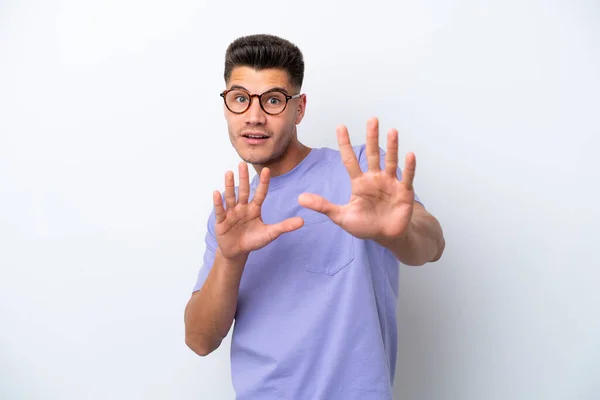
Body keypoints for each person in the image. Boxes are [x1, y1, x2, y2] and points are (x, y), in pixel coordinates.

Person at [184, 33, 445, 400]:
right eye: (240, 99)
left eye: (273, 100)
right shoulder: (231, 218)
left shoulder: (359, 175)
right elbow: (199, 339)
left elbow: (432, 245)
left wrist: (394, 234)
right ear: (227, 106)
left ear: (299, 108)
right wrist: (231, 256)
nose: (254, 117)